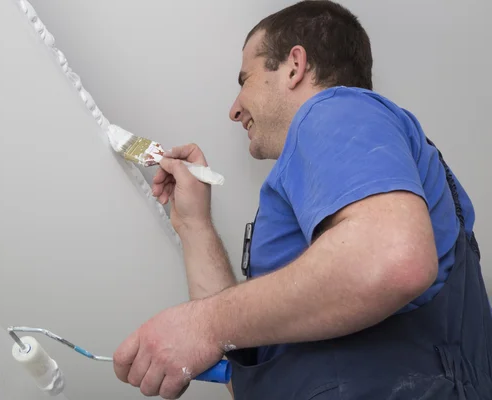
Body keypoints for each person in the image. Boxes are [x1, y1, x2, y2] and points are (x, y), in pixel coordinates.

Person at [112, 1, 492, 399]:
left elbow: (394, 259)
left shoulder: (335, 108)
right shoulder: (326, 237)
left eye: (245, 79)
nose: (234, 109)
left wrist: (202, 324)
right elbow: (247, 365)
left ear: (295, 66)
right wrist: (194, 225)